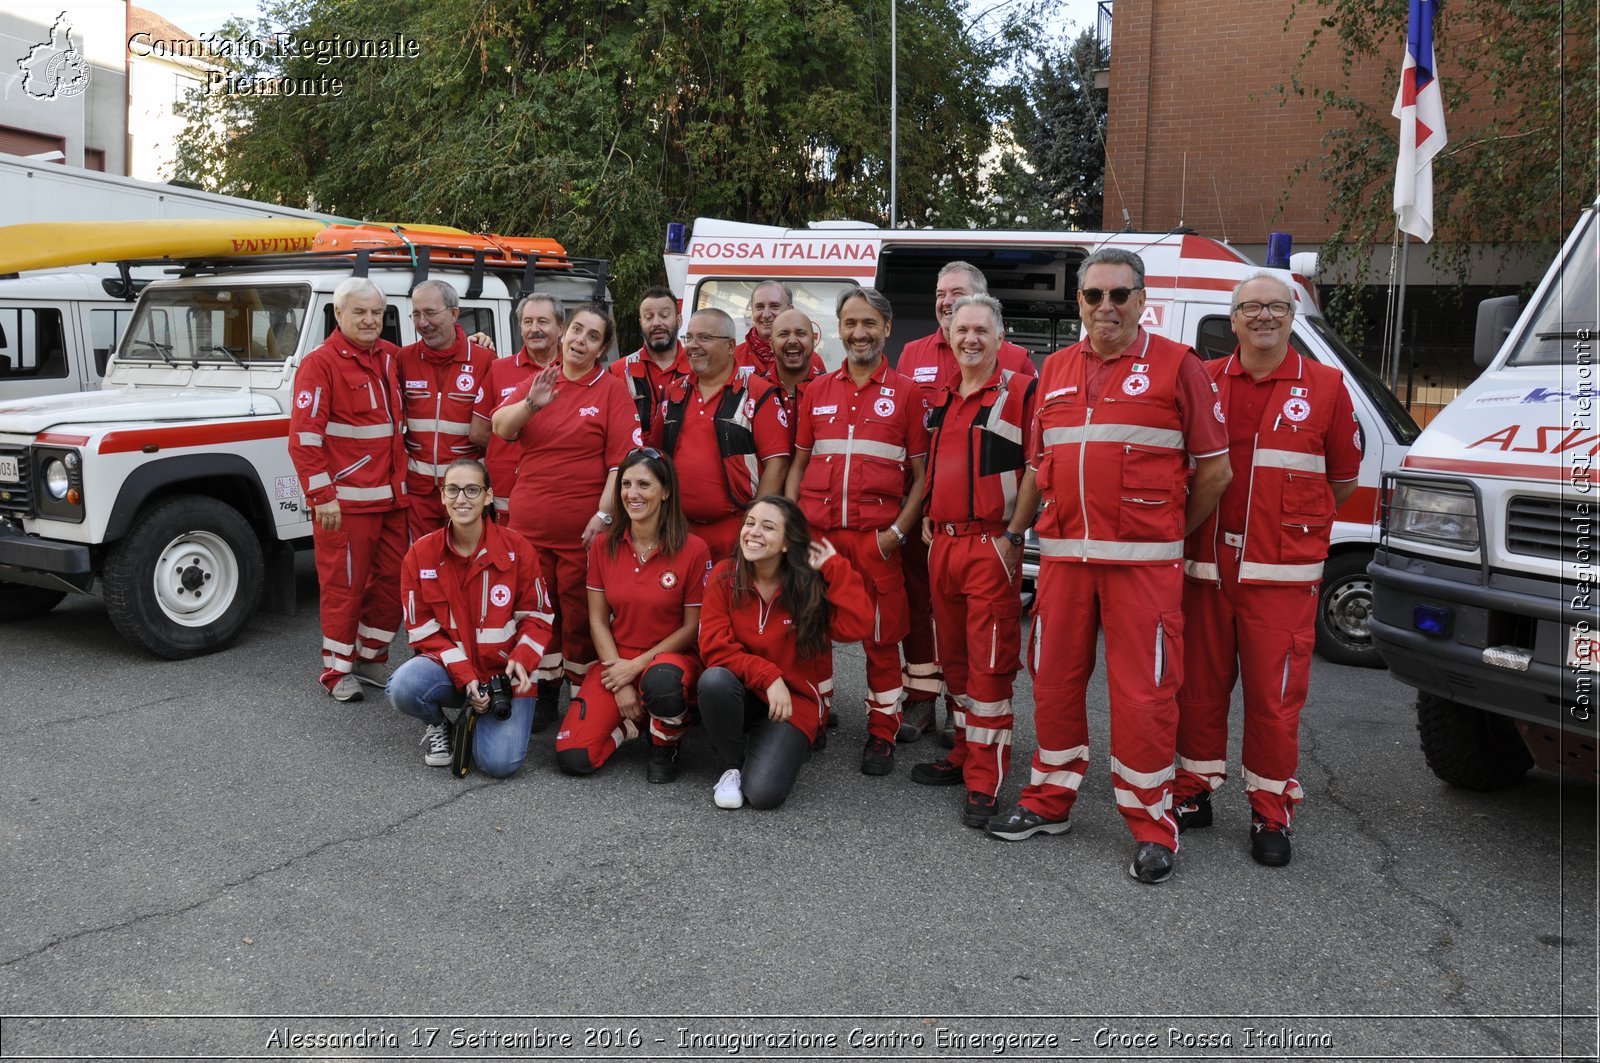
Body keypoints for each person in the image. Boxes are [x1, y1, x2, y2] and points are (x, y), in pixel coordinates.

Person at [986, 248, 1231, 885]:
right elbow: (1041, 466)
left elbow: (1215, 472)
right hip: (1065, 562)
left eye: (1119, 295)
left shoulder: (1180, 367)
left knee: (1145, 697)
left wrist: (1172, 533)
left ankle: (1153, 825)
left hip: (1144, 569)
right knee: (1053, 682)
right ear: (1080, 305)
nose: (1106, 308)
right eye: (1093, 296)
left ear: (1142, 301)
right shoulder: (1057, 367)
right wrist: (1017, 532)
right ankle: (1049, 801)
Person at [1172, 273, 1362, 867]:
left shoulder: (1327, 386)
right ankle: (1192, 790)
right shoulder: (1201, 380)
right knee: (1198, 689)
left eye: (1276, 307)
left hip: (1281, 574)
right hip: (1206, 566)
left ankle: (1269, 809)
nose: (1263, 317)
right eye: (1250, 307)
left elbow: (1342, 479)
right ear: (1231, 319)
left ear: (1291, 317)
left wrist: (1287, 531)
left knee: (1275, 699)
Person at [784, 286, 928, 777]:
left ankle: (882, 732)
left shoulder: (907, 393)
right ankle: (815, 719)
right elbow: (798, 465)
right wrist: (794, 530)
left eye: (869, 323)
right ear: (839, 330)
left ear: (886, 329)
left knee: (881, 639)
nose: (859, 333)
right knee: (811, 634)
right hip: (820, 539)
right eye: (851, 323)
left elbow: (921, 477)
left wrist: (898, 535)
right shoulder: (816, 391)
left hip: (876, 541)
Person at [908, 295, 1039, 827]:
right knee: (955, 662)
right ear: (948, 332)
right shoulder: (942, 395)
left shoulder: (1021, 391)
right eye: (962, 329)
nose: (970, 339)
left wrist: (1014, 534)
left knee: (988, 667)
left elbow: (1037, 468)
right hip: (944, 545)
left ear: (1000, 337)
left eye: (982, 330)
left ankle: (985, 780)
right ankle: (964, 753)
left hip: (990, 545)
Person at [491, 303, 640, 732]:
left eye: (592, 336)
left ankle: (581, 695)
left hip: (583, 530)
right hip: (529, 524)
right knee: (538, 612)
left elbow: (621, 464)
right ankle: (544, 689)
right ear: (563, 333)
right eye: (576, 330)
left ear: (603, 348)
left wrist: (605, 515)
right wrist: (532, 405)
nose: (580, 340)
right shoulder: (539, 381)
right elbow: (502, 427)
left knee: (578, 616)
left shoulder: (610, 390)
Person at [697, 496, 873, 810]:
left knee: (764, 795)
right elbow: (714, 648)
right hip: (745, 691)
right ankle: (732, 764)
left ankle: (776, 747)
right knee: (714, 681)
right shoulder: (725, 576)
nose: (753, 532)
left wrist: (833, 565)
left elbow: (856, 626)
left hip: (795, 703)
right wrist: (768, 677)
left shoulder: (807, 585)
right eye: (749, 523)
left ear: (787, 544)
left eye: (767, 527)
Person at [555, 449, 713, 782]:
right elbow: (597, 620)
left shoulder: (694, 548)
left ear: (665, 491)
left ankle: (665, 740)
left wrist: (635, 669)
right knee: (575, 758)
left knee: (662, 684)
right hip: (616, 662)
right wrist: (619, 674)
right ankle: (633, 726)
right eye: (626, 484)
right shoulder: (602, 546)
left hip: (671, 662)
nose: (632, 493)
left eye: (644, 484)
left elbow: (692, 626)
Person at [391, 458, 555, 775]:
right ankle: (440, 725)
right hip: (453, 672)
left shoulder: (517, 548)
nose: (461, 499)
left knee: (499, 765)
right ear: (442, 495)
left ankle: (481, 716)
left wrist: (522, 659)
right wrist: (467, 678)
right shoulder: (421, 554)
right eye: (452, 490)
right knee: (403, 686)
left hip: (505, 678)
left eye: (472, 489)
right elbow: (422, 631)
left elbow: (538, 615)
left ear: (488, 496)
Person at [287, 277, 409, 702]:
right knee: (345, 588)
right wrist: (322, 496)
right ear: (338, 315)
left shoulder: (393, 358)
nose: (370, 319)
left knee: (393, 581)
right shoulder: (320, 364)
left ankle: (371, 657)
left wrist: (476, 339)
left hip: (394, 500)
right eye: (359, 311)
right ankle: (337, 670)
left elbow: (437, 356)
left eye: (377, 312)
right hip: (346, 505)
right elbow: (304, 438)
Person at [651, 308, 791, 561]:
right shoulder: (673, 393)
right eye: (689, 338)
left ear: (730, 346)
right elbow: (655, 457)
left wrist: (753, 528)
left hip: (734, 532)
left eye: (703, 338)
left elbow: (777, 465)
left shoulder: (759, 394)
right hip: (678, 531)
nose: (693, 346)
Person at [398, 280, 494, 537]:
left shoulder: (485, 359)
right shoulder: (402, 359)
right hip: (420, 493)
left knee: (468, 561)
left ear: (454, 313)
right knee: (426, 565)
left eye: (430, 313)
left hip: (467, 492)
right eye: (416, 314)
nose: (422, 323)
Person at [474, 294, 565, 521]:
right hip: (508, 495)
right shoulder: (498, 369)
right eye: (527, 322)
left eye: (543, 321)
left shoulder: (576, 370)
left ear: (561, 328)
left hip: (561, 490)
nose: (534, 329)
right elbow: (478, 432)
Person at [610, 287, 691, 436]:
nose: (656, 323)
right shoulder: (618, 371)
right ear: (641, 323)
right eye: (648, 317)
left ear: (679, 321)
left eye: (664, 315)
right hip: (633, 458)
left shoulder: (698, 371)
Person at [766, 306, 828, 416]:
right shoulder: (754, 390)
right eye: (783, 334)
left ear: (813, 341)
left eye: (800, 333)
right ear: (771, 344)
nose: (792, 341)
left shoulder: (830, 389)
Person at [733, 280, 792, 379]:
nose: (766, 315)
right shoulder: (733, 358)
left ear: (790, 311)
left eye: (774, 306)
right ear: (752, 311)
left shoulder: (809, 360)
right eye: (759, 307)